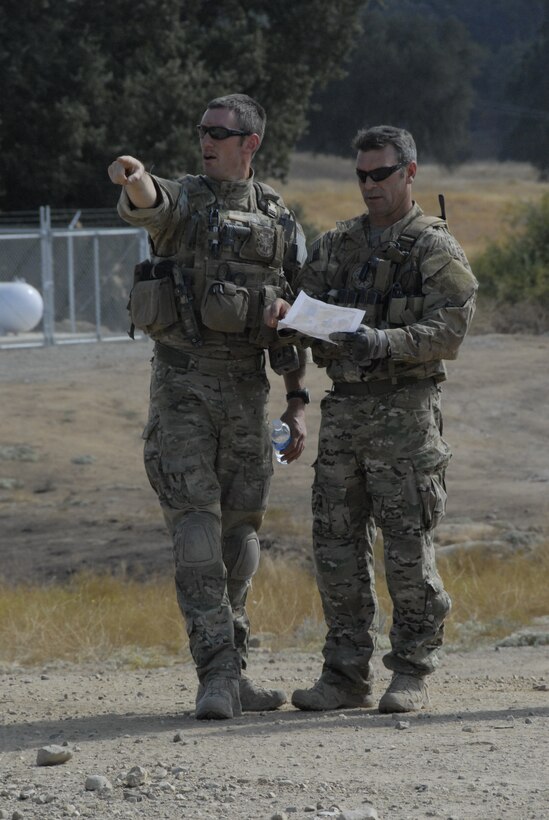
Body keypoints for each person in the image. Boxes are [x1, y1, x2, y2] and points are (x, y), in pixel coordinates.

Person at [108, 93, 309, 720]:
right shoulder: (187, 202)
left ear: (250, 143)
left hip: (248, 396)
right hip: (183, 390)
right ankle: (215, 677)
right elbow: (150, 203)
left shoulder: (278, 217)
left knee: (240, 537)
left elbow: (293, 319)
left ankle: (237, 667)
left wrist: (297, 404)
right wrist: (135, 176)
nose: (206, 140)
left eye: (219, 132)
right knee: (196, 532)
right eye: (202, 130)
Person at [266, 125, 478, 713]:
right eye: (361, 175)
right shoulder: (338, 245)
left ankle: (411, 668)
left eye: (380, 174)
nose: (369, 185)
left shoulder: (434, 248)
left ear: (410, 173)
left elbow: (452, 329)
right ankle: (344, 673)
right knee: (335, 545)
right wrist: (286, 325)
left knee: (407, 547)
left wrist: (382, 340)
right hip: (345, 412)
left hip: (406, 413)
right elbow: (298, 315)